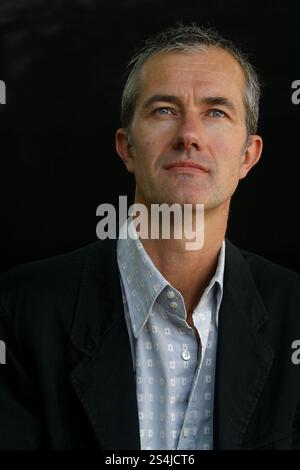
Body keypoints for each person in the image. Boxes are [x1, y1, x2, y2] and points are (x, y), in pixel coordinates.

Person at [0, 24, 300, 451]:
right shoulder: (20, 310)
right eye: (164, 110)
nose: (189, 135)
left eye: (216, 112)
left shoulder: (295, 314)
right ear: (126, 148)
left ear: (248, 156)